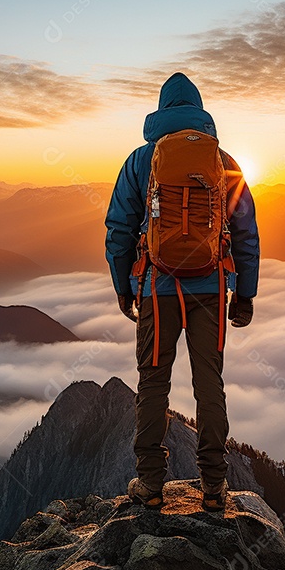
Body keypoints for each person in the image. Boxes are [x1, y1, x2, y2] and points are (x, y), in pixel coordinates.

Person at [104, 72, 260, 511]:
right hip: (210, 289)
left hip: (157, 287)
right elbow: (246, 232)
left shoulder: (140, 161)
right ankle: (213, 487)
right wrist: (244, 294)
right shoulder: (223, 160)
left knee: (153, 382)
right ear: (199, 111)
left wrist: (123, 287)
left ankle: (151, 485)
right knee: (209, 384)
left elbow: (118, 230)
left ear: (160, 111)